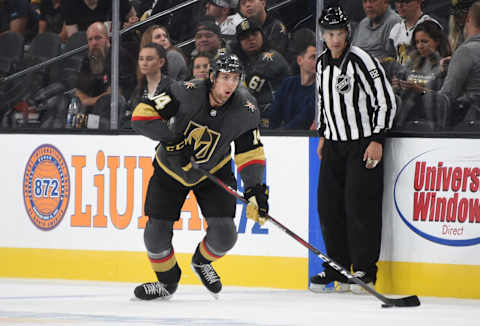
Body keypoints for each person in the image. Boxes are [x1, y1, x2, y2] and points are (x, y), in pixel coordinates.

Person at [130, 53, 269, 300]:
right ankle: (167, 282)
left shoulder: (246, 109)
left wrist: (256, 189)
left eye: (235, 78)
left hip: (215, 169)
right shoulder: (185, 92)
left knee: (226, 235)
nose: (230, 85)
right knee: (155, 233)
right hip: (170, 168)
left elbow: (250, 152)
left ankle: (202, 262)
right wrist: (172, 139)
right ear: (212, 77)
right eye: (225, 77)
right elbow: (141, 116)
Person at [310, 5, 396, 294]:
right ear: (323, 35)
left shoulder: (361, 61)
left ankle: (364, 270)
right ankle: (337, 267)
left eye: (339, 33)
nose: (334, 39)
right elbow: (324, 102)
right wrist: (323, 134)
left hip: (361, 144)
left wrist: (377, 139)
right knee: (328, 207)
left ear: (347, 33)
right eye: (329, 33)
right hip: (333, 146)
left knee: (360, 207)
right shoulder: (321, 62)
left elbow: (385, 100)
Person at [231, 18, 290, 128]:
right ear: (239, 43)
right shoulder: (244, 63)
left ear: (262, 35)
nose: (251, 39)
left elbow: (247, 93)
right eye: (245, 37)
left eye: (254, 34)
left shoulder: (270, 58)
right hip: (256, 118)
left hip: (276, 121)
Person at [75, 22, 136, 128]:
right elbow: (79, 91)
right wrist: (86, 100)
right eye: (90, 39)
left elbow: (115, 94)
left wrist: (87, 100)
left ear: (107, 39)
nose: (94, 43)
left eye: (98, 38)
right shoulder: (88, 59)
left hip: (115, 112)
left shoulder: (119, 56)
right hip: (93, 110)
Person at [392, 21, 451, 128]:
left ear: (437, 41)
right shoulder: (411, 63)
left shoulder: (446, 64)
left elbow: (446, 99)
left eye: (424, 41)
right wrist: (397, 85)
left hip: (433, 123)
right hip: (406, 122)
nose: (420, 46)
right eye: (417, 42)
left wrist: (420, 90)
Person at [267, 33, 316, 129]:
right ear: (300, 60)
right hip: (284, 136)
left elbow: (304, 119)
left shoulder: (322, 88)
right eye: (313, 57)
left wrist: (281, 133)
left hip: (307, 138)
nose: (317, 61)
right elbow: (274, 112)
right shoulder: (288, 84)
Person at [127, 42, 175, 128]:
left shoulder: (173, 87)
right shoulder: (138, 90)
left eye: (149, 59)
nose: (144, 63)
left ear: (161, 62)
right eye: (141, 59)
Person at [352, 0, 401, 78]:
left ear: (385, 1)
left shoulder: (395, 22)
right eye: (365, 1)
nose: (368, 5)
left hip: (380, 78)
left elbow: (397, 61)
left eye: (373, 1)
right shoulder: (363, 23)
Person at [389, 0, 442, 65]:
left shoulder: (431, 26)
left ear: (418, 1)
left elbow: (440, 57)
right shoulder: (396, 29)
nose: (400, 6)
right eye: (397, 1)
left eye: (406, 1)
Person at [60, 0, 138, 38]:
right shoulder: (69, 4)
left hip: (119, 44)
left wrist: (131, 24)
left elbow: (133, 18)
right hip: (87, 49)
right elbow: (75, 39)